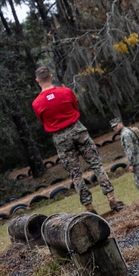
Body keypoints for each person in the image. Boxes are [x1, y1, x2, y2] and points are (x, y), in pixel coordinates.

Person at [31, 66, 125, 213]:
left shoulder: (36, 103)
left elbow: (43, 120)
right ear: (51, 76)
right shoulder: (66, 92)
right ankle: (112, 199)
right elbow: (76, 108)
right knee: (96, 165)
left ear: (37, 81)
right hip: (77, 129)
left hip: (60, 137)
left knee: (75, 174)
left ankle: (89, 207)